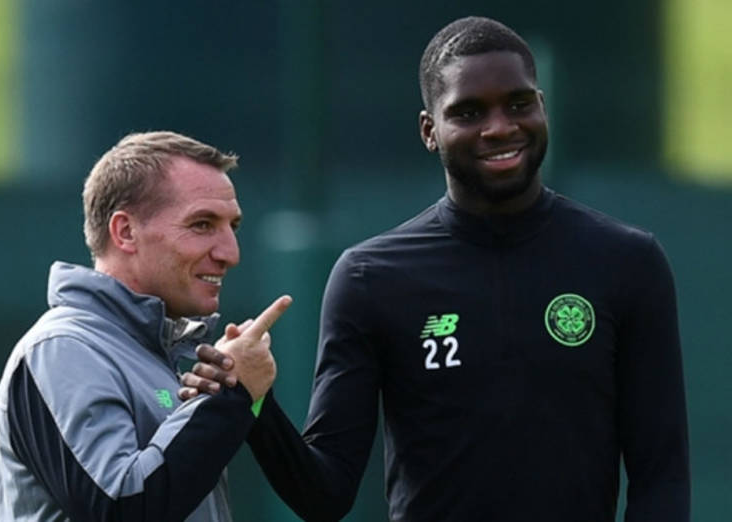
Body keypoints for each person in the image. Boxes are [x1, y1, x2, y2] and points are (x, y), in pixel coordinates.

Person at [181, 16, 690, 522]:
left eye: (518, 104)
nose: (500, 127)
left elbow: (662, 476)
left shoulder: (626, 261)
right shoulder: (371, 278)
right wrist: (254, 401)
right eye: (469, 112)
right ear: (430, 131)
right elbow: (325, 495)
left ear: (542, 106)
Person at [0, 130, 292, 521]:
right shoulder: (62, 348)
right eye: (202, 224)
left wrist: (240, 395)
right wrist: (232, 399)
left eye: (232, 227)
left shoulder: (157, 355)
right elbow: (121, 508)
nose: (229, 254)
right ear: (125, 232)